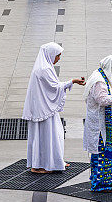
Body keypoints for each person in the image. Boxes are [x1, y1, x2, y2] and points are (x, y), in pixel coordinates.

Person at [22, 43, 86, 173]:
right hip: (43, 109)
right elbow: (55, 88)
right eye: (57, 55)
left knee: (49, 135)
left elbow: (53, 86)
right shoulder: (44, 69)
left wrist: (72, 81)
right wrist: (72, 81)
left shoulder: (44, 67)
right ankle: (39, 166)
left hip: (43, 108)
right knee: (47, 136)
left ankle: (52, 162)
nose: (59, 58)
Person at [84, 55, 112, 192]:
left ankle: (108, 182)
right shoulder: (100, 81)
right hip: (101, 127)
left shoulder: (101, 75)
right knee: (102, 153)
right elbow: (102, 100)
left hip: (104, 125)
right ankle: (102, 183)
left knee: (106, 153)